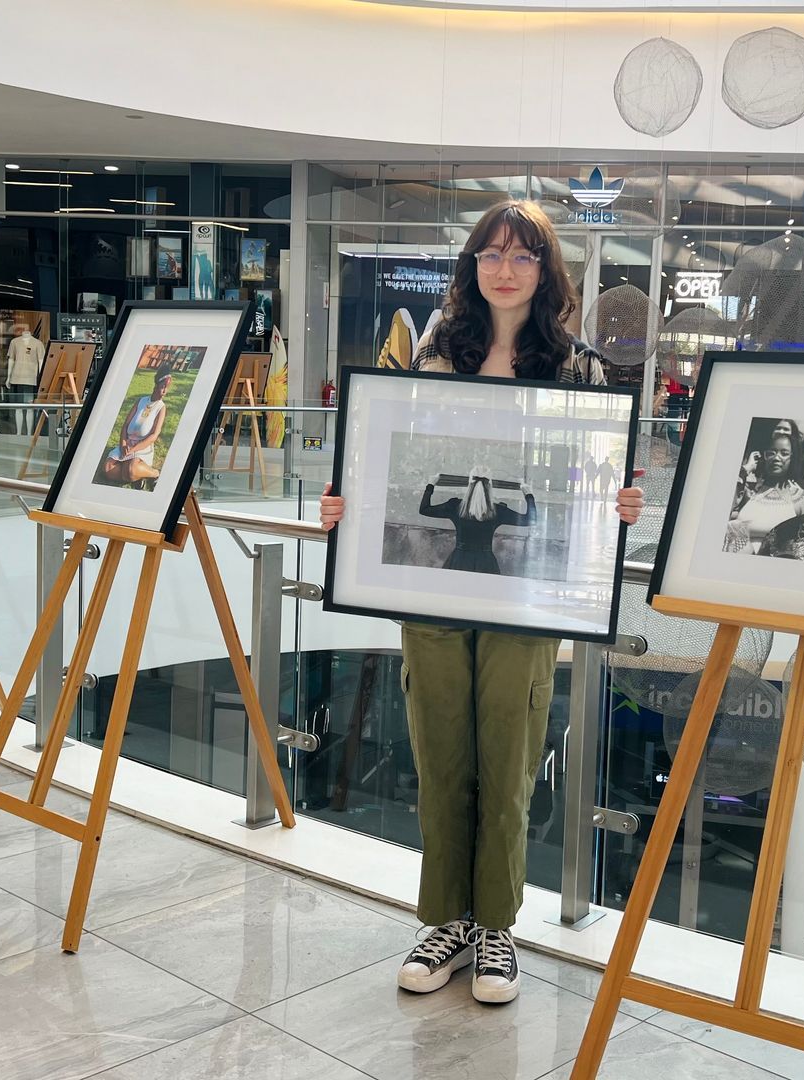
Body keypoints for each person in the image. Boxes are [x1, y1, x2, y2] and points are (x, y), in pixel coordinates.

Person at [320, 199, 642, 1005]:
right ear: (471, 267)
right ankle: (446, 922)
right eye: (491, 254)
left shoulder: (579, 369)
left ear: (547, 271)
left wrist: (621, 503)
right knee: (439, 754)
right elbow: (389, 457)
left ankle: (495, 926)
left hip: (525, 594)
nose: (505, 268)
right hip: (428, 584)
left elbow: (593, 485)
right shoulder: (436, 353)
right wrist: (346, 502)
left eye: (523, 256)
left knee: (509, 751)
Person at [419, 476, 535, 574]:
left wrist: (431, 485)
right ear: (490, 487)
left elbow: (424, 509)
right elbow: (530, 519)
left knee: (457, 593)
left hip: (460, 560)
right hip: (486, 562)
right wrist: (528, 495)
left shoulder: (455, 506)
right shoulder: (498, 511)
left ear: (469, 485)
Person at [724, 427, 804, 553]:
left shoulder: (801, 497)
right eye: (771, 452)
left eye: (784, 453)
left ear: (793, 459)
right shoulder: (750, 491)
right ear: (764, 457)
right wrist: (746, 470)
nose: (776, 458)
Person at [99, 368, 172, 486]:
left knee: (131, 469)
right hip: (128, 443)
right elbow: (126, 425)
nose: (165, 391)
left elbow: (154, 436)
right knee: (107, 469)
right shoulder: (141, 401)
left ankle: (155, 473)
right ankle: (137, 477)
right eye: (163, 386)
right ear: (156, 386)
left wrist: (133, 450)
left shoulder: (161, 407)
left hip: (142, 447)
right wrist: (123, 444)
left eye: (167, 388)